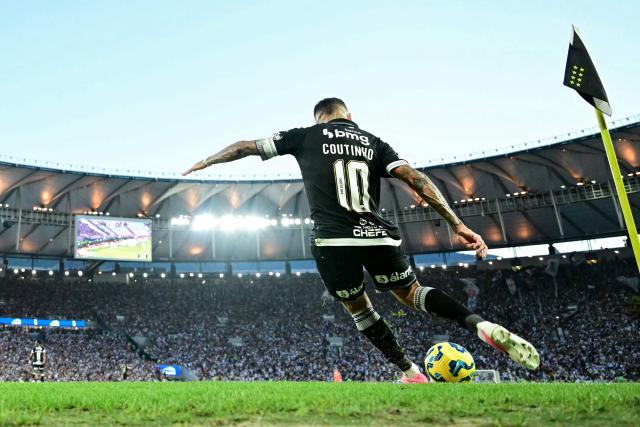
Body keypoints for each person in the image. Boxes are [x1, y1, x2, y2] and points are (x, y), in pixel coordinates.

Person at [183, 98, 540, 382]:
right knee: (412, 294)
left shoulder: (305, 135)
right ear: (349, 115)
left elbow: (246, 146)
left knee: (360, 308)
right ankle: (481, 325)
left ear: (320, 118)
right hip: (377, 235)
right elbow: (416, 179)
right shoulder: (373, 142)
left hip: (332, 240)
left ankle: (411, 374)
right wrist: (456, 223)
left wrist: (208, 160)